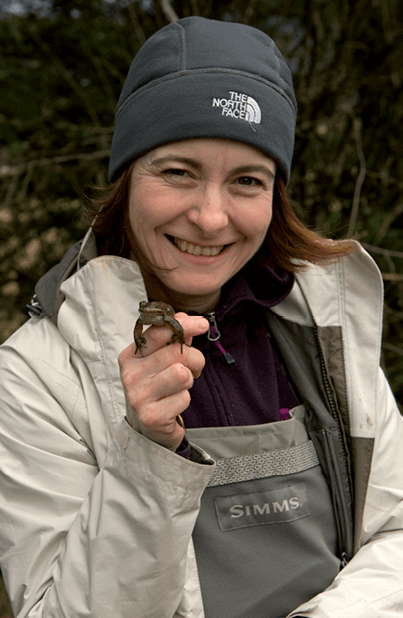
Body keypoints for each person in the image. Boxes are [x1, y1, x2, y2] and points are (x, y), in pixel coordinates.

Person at [0, 15, 402, 618]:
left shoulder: (325, 334)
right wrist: (146, 453)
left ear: (276, 196)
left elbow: (394, 534)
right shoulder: (36, 375)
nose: (211, 218)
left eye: (246, 180)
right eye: (179, 172)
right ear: (126, 179)